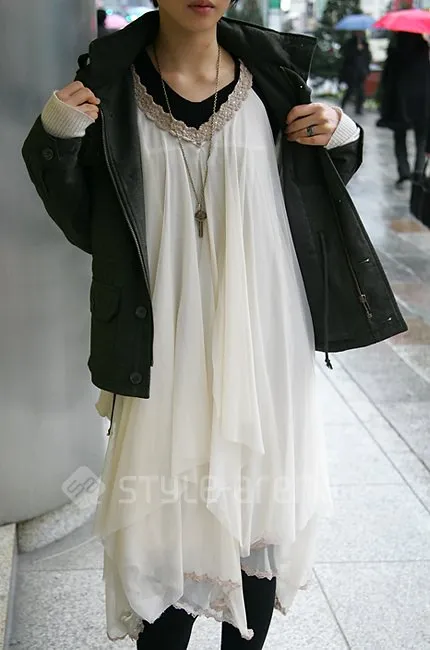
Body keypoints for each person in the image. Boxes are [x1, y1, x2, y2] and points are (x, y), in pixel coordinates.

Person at [21, 2, 406, 648]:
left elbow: (301, 200)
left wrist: (341, 138)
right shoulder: (110, 91)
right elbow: (88, 222)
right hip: (159, 337)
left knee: (257, 514)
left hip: (263, 333)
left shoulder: (273, 82)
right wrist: (56, 137)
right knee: (162, 518)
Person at [378, 32, 430, 187]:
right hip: (422, 103)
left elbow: (387, 80)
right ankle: (418, 171)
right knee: (421, 139)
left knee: (399, 138)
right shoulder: (423, 50)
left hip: (399, 103)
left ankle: (404, 171)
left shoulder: (395, 52)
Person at [340, 31, 371, 116]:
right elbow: (346, 55)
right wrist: (356, 50)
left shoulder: (365, 44)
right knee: (350, 90)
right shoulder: (350, 43)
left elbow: (367, 58)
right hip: (351, 71)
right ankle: (343, 105)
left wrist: (366, 70)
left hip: (361, 72)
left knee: (361, 91)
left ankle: (359, 108)